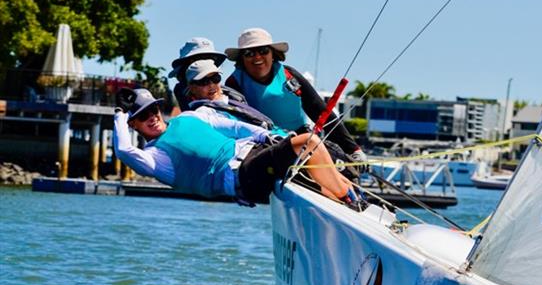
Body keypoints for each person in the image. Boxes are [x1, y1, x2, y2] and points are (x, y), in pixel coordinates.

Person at [113, 87, 365, 208]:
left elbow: (235, 128)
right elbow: (124, 150)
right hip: (240, 176)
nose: (152, 116)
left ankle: (355, 205)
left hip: (253, 154)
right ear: (133, 124)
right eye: (143, 115)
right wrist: (119, 116)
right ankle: (350, 199)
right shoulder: (154, 158)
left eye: (153, 109)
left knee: (312, 177)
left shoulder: (188, 117)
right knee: (308, 141)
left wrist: (267, 136)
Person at [223, 28, 367, 166]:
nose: (257, 57)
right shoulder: (234, 83)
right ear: (242, 59)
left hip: (302, 139)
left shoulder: (289, 75)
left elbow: (319, 110)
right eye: (249, 53)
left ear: (273, 54)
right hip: (261, 145)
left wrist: (353, 149)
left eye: (263, 51)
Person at [168, 37, 245, 111]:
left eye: (215, 79)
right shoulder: (181, 90)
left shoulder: (235, 97)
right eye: (203, 81)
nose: (204, 63)